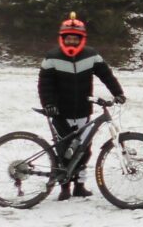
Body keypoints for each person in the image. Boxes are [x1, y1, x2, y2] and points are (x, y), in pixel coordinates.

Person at [38, 12, 126, 200]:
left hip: (84, 111)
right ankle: (64, 188)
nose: (71, 41)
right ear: (62, 38)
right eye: (67, 38)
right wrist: (49, 104)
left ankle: (80, 185)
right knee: (64, 151)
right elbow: (45, 84)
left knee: (84, 150)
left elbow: (106, 75)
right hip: (60, 113)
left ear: (81, 38)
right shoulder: (52, 57)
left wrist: (117, 92)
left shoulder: (92, 55)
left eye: (75, 38)